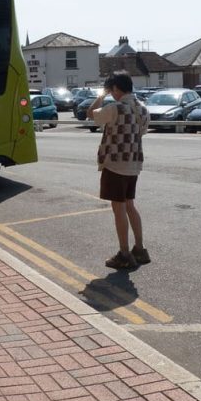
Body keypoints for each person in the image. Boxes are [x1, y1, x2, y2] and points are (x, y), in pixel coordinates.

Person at [89, 72, 151, 270]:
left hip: (115, 164)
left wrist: (101, 95)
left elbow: (90, 113)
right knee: (130, 205)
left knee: (118, 209)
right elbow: (140, 132)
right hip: (133, 164)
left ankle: (124, 254)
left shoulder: (115, 108)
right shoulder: (142, 109)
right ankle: (139, 250)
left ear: (115, 89)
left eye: (111, 90)